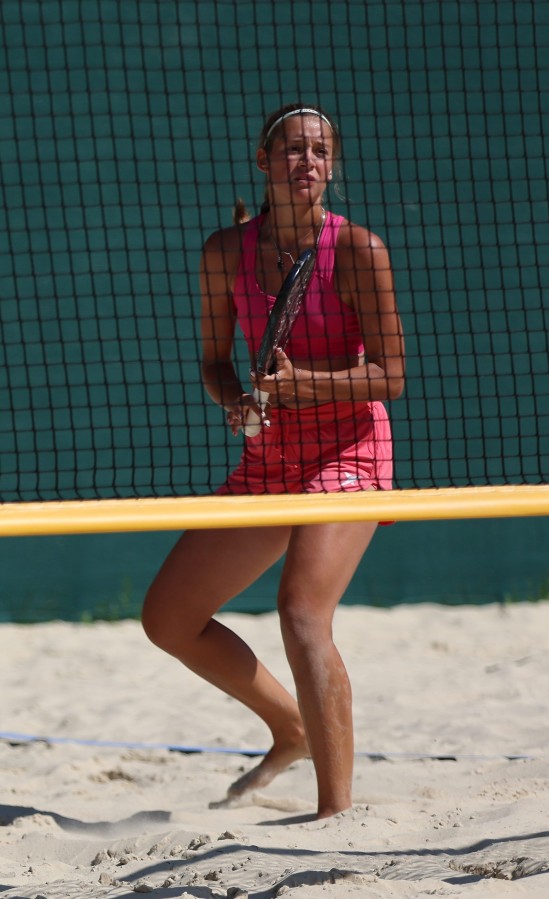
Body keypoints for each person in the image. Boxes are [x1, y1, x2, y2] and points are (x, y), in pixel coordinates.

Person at [142, 103, 405, 819]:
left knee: (301, 613)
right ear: (263, 162)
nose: (307, 162)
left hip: (349, 446)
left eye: (320, 151)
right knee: (169, 618)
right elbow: (213, 360)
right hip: (273, 450)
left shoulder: (359, 251)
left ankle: (335, 818)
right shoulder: (225, 252)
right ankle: (290, 729)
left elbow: (390, 375)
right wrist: (237, 399)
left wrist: (303, 386)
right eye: (292, 149)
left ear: (332, 166)